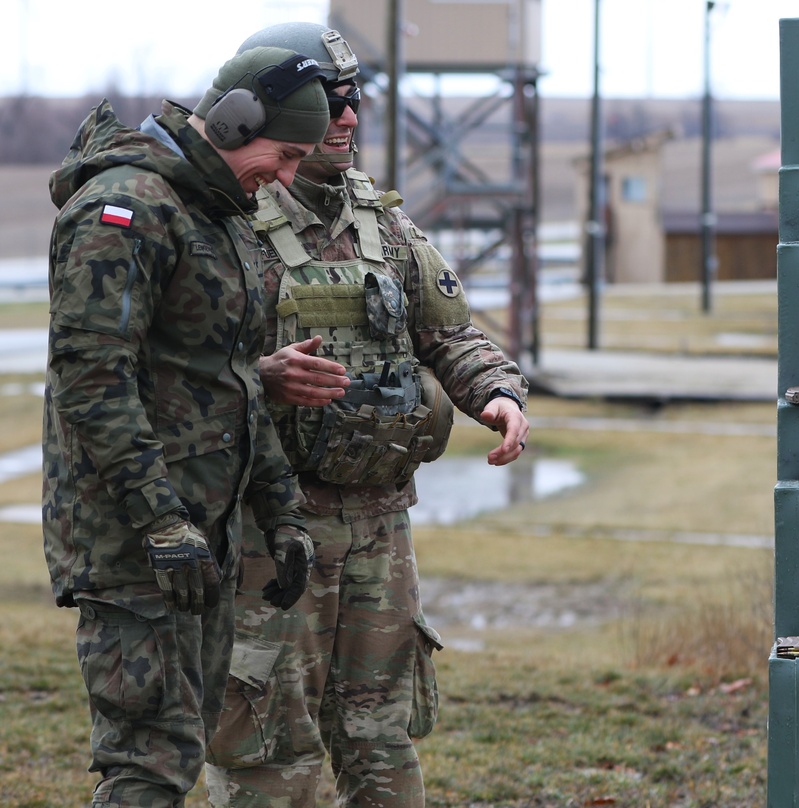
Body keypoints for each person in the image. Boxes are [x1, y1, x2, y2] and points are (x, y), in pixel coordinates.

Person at [204, 23, 531, 808]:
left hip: (380, 524)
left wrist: (496, 393)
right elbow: (180, 371)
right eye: (331, 102)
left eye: (356, 100)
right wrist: (264, 377)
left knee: (380, 735)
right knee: (268, 744)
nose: (347, 117)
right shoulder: (228, 221)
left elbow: (448, 331)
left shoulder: (382, 222)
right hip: (271, 528)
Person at [43, 45, 332, 806]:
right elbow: (91, 377)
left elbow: (234, 380)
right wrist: (162, 521)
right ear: (236, 120)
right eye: (285, 153)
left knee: (182, 746)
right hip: (135, 544)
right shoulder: (127, 207)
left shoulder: (219, 217)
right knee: (149, 764)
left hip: (200, 543)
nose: (287, 176)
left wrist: (282, 514)